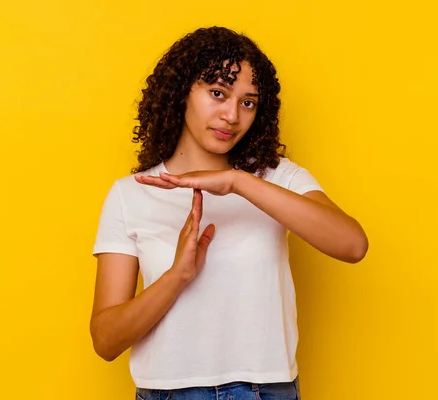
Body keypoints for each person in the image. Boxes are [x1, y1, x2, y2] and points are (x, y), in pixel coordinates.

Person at [90, 26, 368, 400]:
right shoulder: (131, 195)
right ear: (181, 93)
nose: (232, 115)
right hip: (170, 393)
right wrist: (177, 276)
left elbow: (352, 245)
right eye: (218, 93)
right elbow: (106, 340)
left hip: (266, 390)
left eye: (248, 102)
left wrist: (238, 182)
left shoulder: (276, 177)